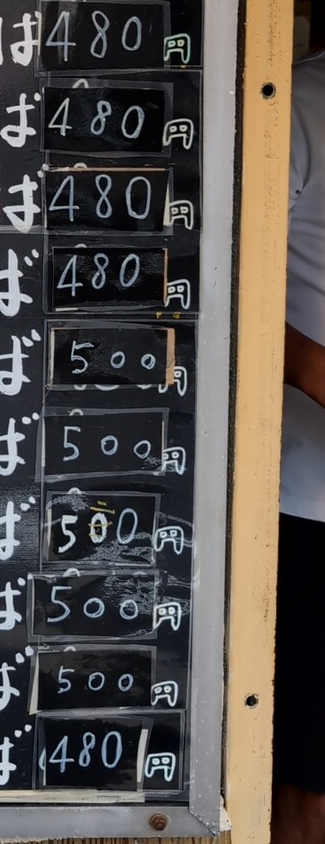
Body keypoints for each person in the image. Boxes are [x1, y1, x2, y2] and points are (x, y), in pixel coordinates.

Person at [274, 48, 325, 844]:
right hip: (308, 507)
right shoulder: (296, 105)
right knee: (310, 787)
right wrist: (314, 368)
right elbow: (204, 274)